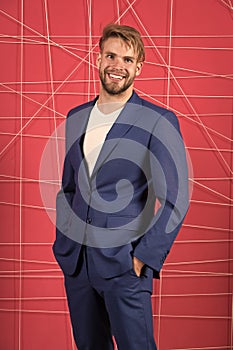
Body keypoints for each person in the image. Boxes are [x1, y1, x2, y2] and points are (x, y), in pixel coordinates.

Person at [53, 24, 189, 350]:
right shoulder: (76, 117)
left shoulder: (158, 120)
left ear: (138, 67)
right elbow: (69, 189)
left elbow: (176, 199)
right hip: (78, 266)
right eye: (111, 55)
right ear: (98, 58)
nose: (118, 65)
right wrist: (66, 243)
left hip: (124, 265)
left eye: (127, 59)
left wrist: (142, 258)